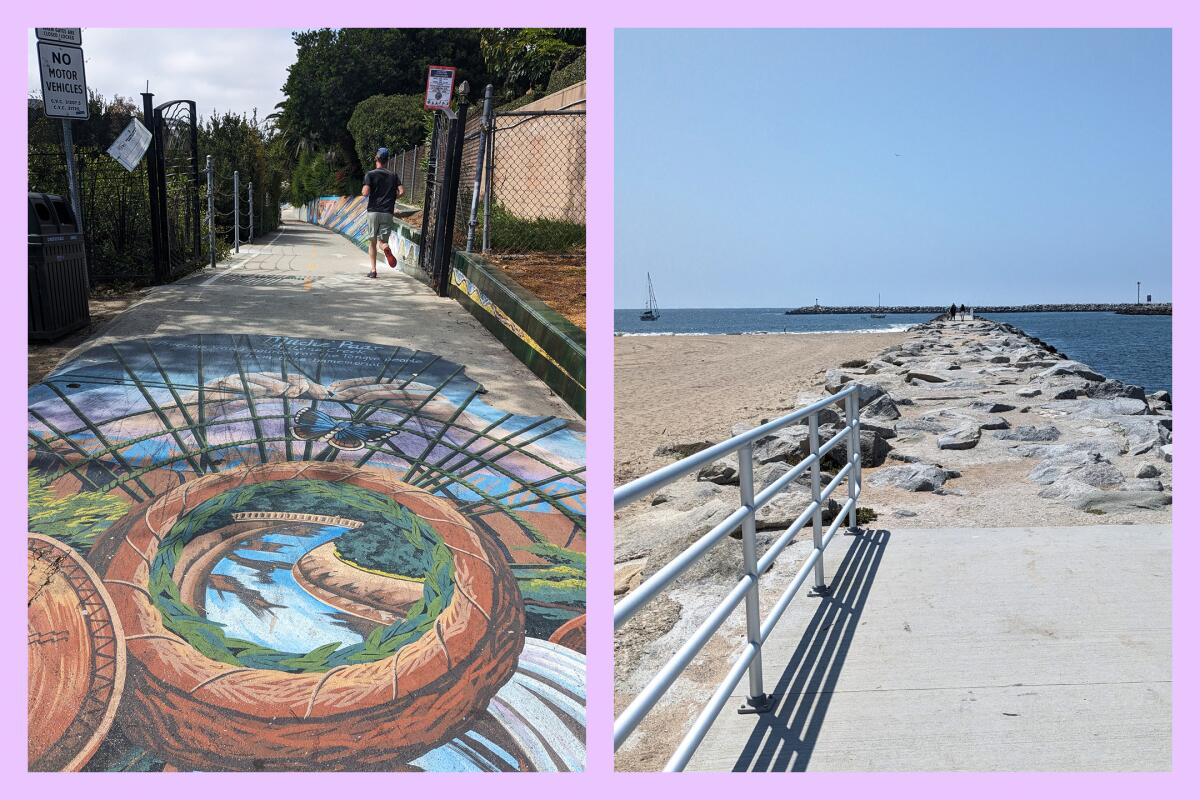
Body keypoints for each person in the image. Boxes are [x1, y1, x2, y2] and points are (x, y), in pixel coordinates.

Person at [362, 147, 405, 278]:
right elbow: (402, 191)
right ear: (387, 160)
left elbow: (365, 192)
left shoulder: (370, 174)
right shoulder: (393, 175)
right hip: (387, 212)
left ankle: (373, 270)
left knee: (372, 242)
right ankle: (385, 247)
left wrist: (366, 188)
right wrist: (392, 198)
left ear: (376, 158)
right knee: (382, 241)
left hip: (373, 211)